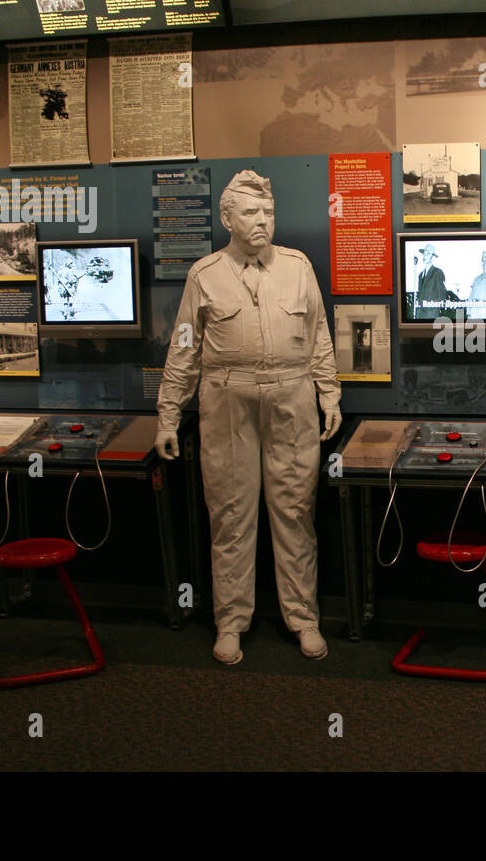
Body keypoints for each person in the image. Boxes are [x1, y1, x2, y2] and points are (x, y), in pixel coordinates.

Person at [155, 169, 341, 666]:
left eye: (269, 213)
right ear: (227, 218)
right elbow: (184, 349)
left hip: (291, 398)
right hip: (227, 401)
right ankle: (231, 622)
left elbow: (319, 334)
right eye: (251, 213)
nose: (262, 222)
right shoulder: (205, 274)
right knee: (231, 515)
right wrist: (168, 414)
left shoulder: (299, 268)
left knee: (295, 512)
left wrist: (330, 394)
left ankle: (303, 618)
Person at [413, 244, 448, 319]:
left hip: (432, 315)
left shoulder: (437, 272)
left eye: (428, 254)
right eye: (424, 254)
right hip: (420, 314)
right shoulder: (420, 275)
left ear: (433, 257)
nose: (425, 256)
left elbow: (442, 296)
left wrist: (436, 312)